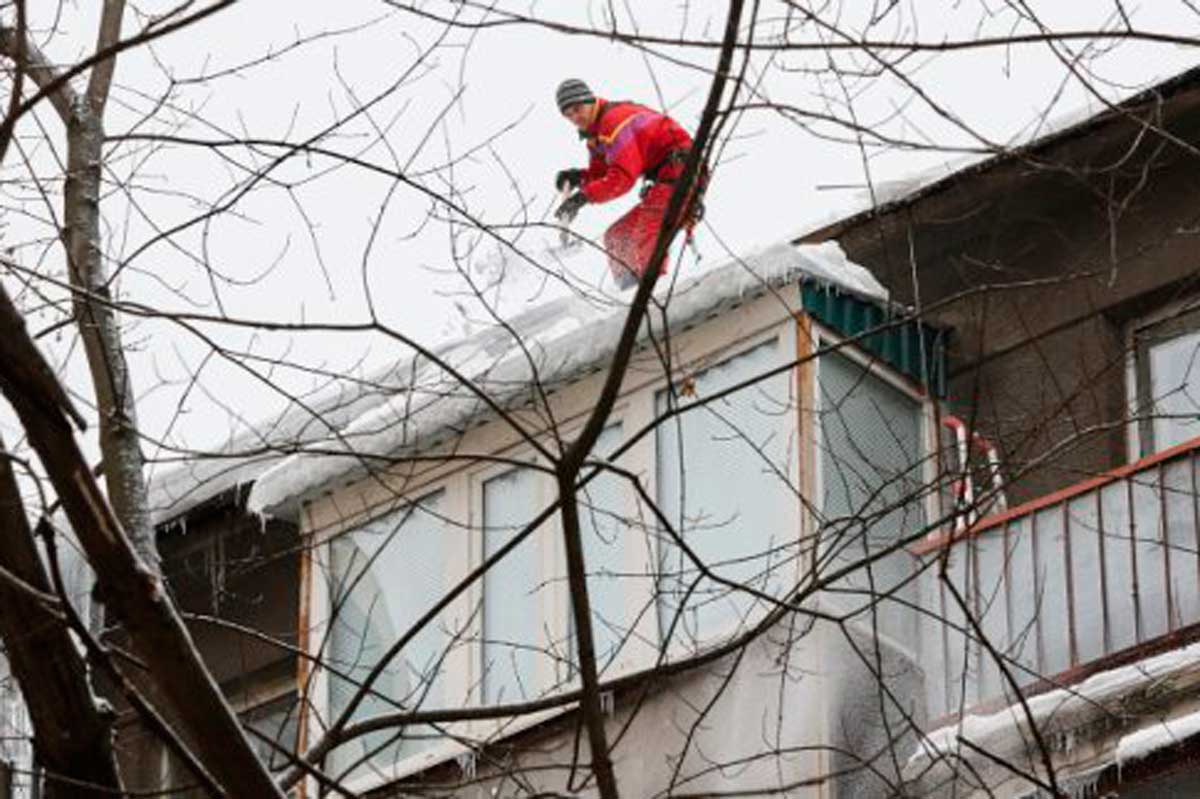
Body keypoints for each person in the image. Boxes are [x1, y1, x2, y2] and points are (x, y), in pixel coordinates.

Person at [553, 78, 703, 290]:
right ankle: (629, 292)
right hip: (664, 180)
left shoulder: (614, 124)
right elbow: (602, 175)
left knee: (646, 232)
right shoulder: (596, 135)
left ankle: (654, 292)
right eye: (568, 115)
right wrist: (579, 178)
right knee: (617, 236)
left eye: (578, 109)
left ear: (590, 100)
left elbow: (621, 179)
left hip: (681, 172)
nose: (575, 118)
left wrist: (583, 197)